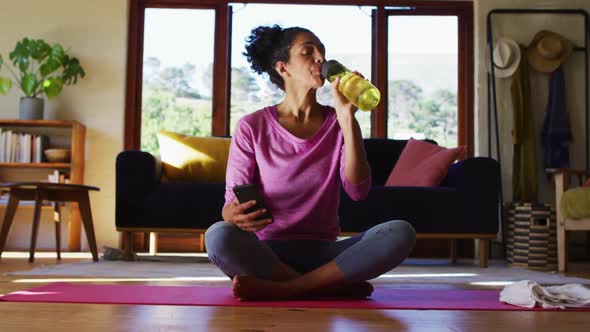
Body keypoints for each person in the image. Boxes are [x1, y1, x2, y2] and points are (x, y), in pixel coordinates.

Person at [205, 25, 416, 301]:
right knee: (218, 235)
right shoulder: (252, 127)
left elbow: (358, 191)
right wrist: (232, 215)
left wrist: (347, 117)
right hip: (268, 254)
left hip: (327, 255)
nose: (320, 58)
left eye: (322, 51)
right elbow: (229, 209)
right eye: (308, 52)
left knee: (401, 232)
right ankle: (328, 287)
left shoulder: (338, 123)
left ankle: (286, 289)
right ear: (284, 68)